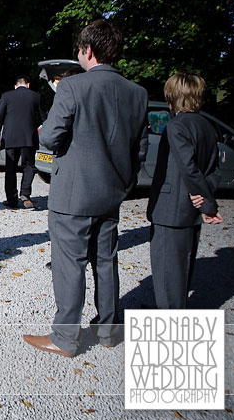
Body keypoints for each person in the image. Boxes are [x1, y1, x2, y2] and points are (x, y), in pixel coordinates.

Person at [23, 19, 148, 358]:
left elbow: (48, 138)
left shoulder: (73, 87)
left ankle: (65, 337)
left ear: (87, 51)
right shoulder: (138, 93)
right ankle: (108, 330)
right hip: (112, 192)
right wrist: (124, 184)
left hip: (73, 194)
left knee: (70, 264)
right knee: (106, 261)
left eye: (79, 49)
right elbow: (140, 148)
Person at [146, 73, 224, 309]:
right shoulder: (207, 126)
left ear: (173, 96)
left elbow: (188, 167)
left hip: (171, 210)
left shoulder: (177, 125)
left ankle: (169, 332)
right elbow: (213, 170)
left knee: (169, 277)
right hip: (188, 212)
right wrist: (205, 199)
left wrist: (207, 205)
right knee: (181, 273)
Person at [0, 75, 45, 209]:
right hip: (29, 137)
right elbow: (44, 118)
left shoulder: (6, 96)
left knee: (10, 169)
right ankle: (25, 194)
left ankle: (12, 199)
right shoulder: (35, 96)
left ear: (15, 86)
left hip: (10, 137)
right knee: (29, 166)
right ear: (28, 85)